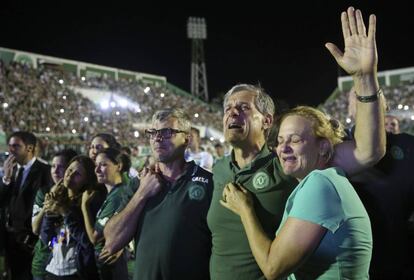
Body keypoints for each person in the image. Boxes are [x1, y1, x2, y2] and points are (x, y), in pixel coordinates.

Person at [207, 6, 386, 279]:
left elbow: (367, 151)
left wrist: (364, 78)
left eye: (243, 108)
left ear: (266, 120)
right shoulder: (220, 168)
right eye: (228, 107)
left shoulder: (301, 169)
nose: (232, 112)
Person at [222, 106, 372, 279]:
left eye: (294, 140)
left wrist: (245, 210)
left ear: (323, 147)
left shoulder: (320, 183)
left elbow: (273, 268)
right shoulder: (329, 180)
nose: (283, 148)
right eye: (279, 141)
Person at [101, 108, 213, 280]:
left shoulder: (209, 182)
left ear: (186, 139)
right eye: (153, 133)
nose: (157, 138)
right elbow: (112, 241)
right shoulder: (139, 183)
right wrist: (142, 194)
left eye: (167, 132)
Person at [0, 131, 53, 280]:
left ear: (30, 148)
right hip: (11, 237)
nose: (11, 150)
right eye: (10, 146)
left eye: (16, 146)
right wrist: (6, 178)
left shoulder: (45, 171)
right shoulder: (12, 170)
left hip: (30, 239)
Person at [40, 155, 103, 280]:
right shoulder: (58, 199)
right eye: (69, 170)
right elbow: (46, 238)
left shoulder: (89, 204)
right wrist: (49, 214)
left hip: (76, 271)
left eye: (78, 174)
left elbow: (87, 241)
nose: (70, 175)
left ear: (87, 180)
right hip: (53, 269)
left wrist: (66, 213)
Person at [81, 148, 129, 280]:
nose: (97, 170)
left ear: (118, 166)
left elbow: (94, 237)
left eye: (103, 165)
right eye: (96, 165)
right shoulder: (116, 193)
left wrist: (84, 206)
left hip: (111, 264)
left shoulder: (117, 196)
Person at [32, 149, 78, 280]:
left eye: (61, 167)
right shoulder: (44, 192)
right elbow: (36, 229)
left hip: (70, 264)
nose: (55, 171)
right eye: (53, 166)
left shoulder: (79, 195)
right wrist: (47, 205)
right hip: (44, 260)